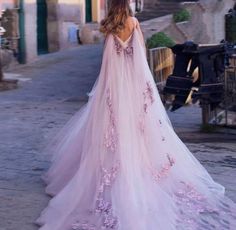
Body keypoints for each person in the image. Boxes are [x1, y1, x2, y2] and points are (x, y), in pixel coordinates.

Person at [36, 0, 236, 229]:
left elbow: (107, 62)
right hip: (132, 84)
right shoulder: (133, 22)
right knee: (138, 128)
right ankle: (138, 168)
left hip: (113, 87)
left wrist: (106, 90)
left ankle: (110, 172)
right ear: (127, 5)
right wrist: (145, 87)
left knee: (110, 129)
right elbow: (140, 56)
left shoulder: (109, 25)